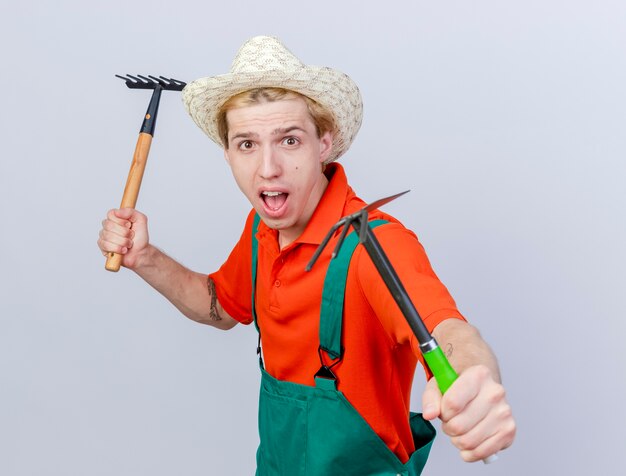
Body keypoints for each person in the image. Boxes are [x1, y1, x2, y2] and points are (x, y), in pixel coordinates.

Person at [98, 36, 515, 475]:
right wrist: (144, 256)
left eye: (289, 141)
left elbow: (450, 332)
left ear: (324, 144)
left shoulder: (375, 245)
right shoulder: (262, 227)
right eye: (247, 144)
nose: (267, 167)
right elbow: (219, 305)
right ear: (227, 154)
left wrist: (474, 380)